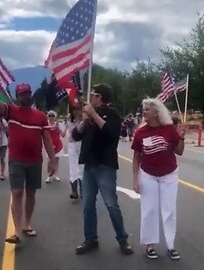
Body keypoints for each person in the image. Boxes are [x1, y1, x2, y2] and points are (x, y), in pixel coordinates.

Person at [0, 83, 56, 244]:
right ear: (17, 97)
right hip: (16, 160)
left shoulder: (40, 116)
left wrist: (52, 161)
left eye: (28, 93)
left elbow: (47, 139)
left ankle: (27, 224)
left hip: (35, 160)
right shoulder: (11, 111)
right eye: (23, 94)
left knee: (31, 193)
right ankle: (17, 231)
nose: (26, 96)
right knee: (17, 192)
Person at [72, 84, 133, 255]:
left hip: (105, 165)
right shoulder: (89, 117)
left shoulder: (113, 115)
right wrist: (85, 120)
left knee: (111, 205)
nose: (90, 98)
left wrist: (94, 115)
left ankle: (123, 239)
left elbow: (111, 133)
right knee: (88, 205)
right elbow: (75, 136)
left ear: (100, 97)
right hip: (89, 165)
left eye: (93, 95)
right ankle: (90, 239)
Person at [131, 98, 185, 260]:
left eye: (147, 109)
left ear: (156, 112)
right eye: (144, 109)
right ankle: (149, 244)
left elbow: (180, 152)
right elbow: (136, 157)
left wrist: (181, 137)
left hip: (169, 174)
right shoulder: (140, 132)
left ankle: (170, 245)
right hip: (148, 174)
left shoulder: (169, 130)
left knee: (169, 210)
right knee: (149, 210)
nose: (144, 112)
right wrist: (135, 179)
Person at [65, 105, 84, 199]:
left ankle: (83, 191)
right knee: (73, 168)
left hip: (82, 144)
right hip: (72, 144)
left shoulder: (85, 120)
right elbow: (73, 132)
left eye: (78, 109)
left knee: (82, 168)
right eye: (74, 109)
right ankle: (74, 191)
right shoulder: (69, 120)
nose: (76, 111)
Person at [45, 110, 64, 183]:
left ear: (55, 117)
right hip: (49, 146)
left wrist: (66, 127)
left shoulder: (58, 125)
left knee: (56, 161)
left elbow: (62, 134)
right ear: (48, 117)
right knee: (50, 162)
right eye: (50, 115)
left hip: (58, 145)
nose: (51, 117)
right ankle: (49, 176)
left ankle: (55, 175)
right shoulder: (46, 125)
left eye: (53, 115)